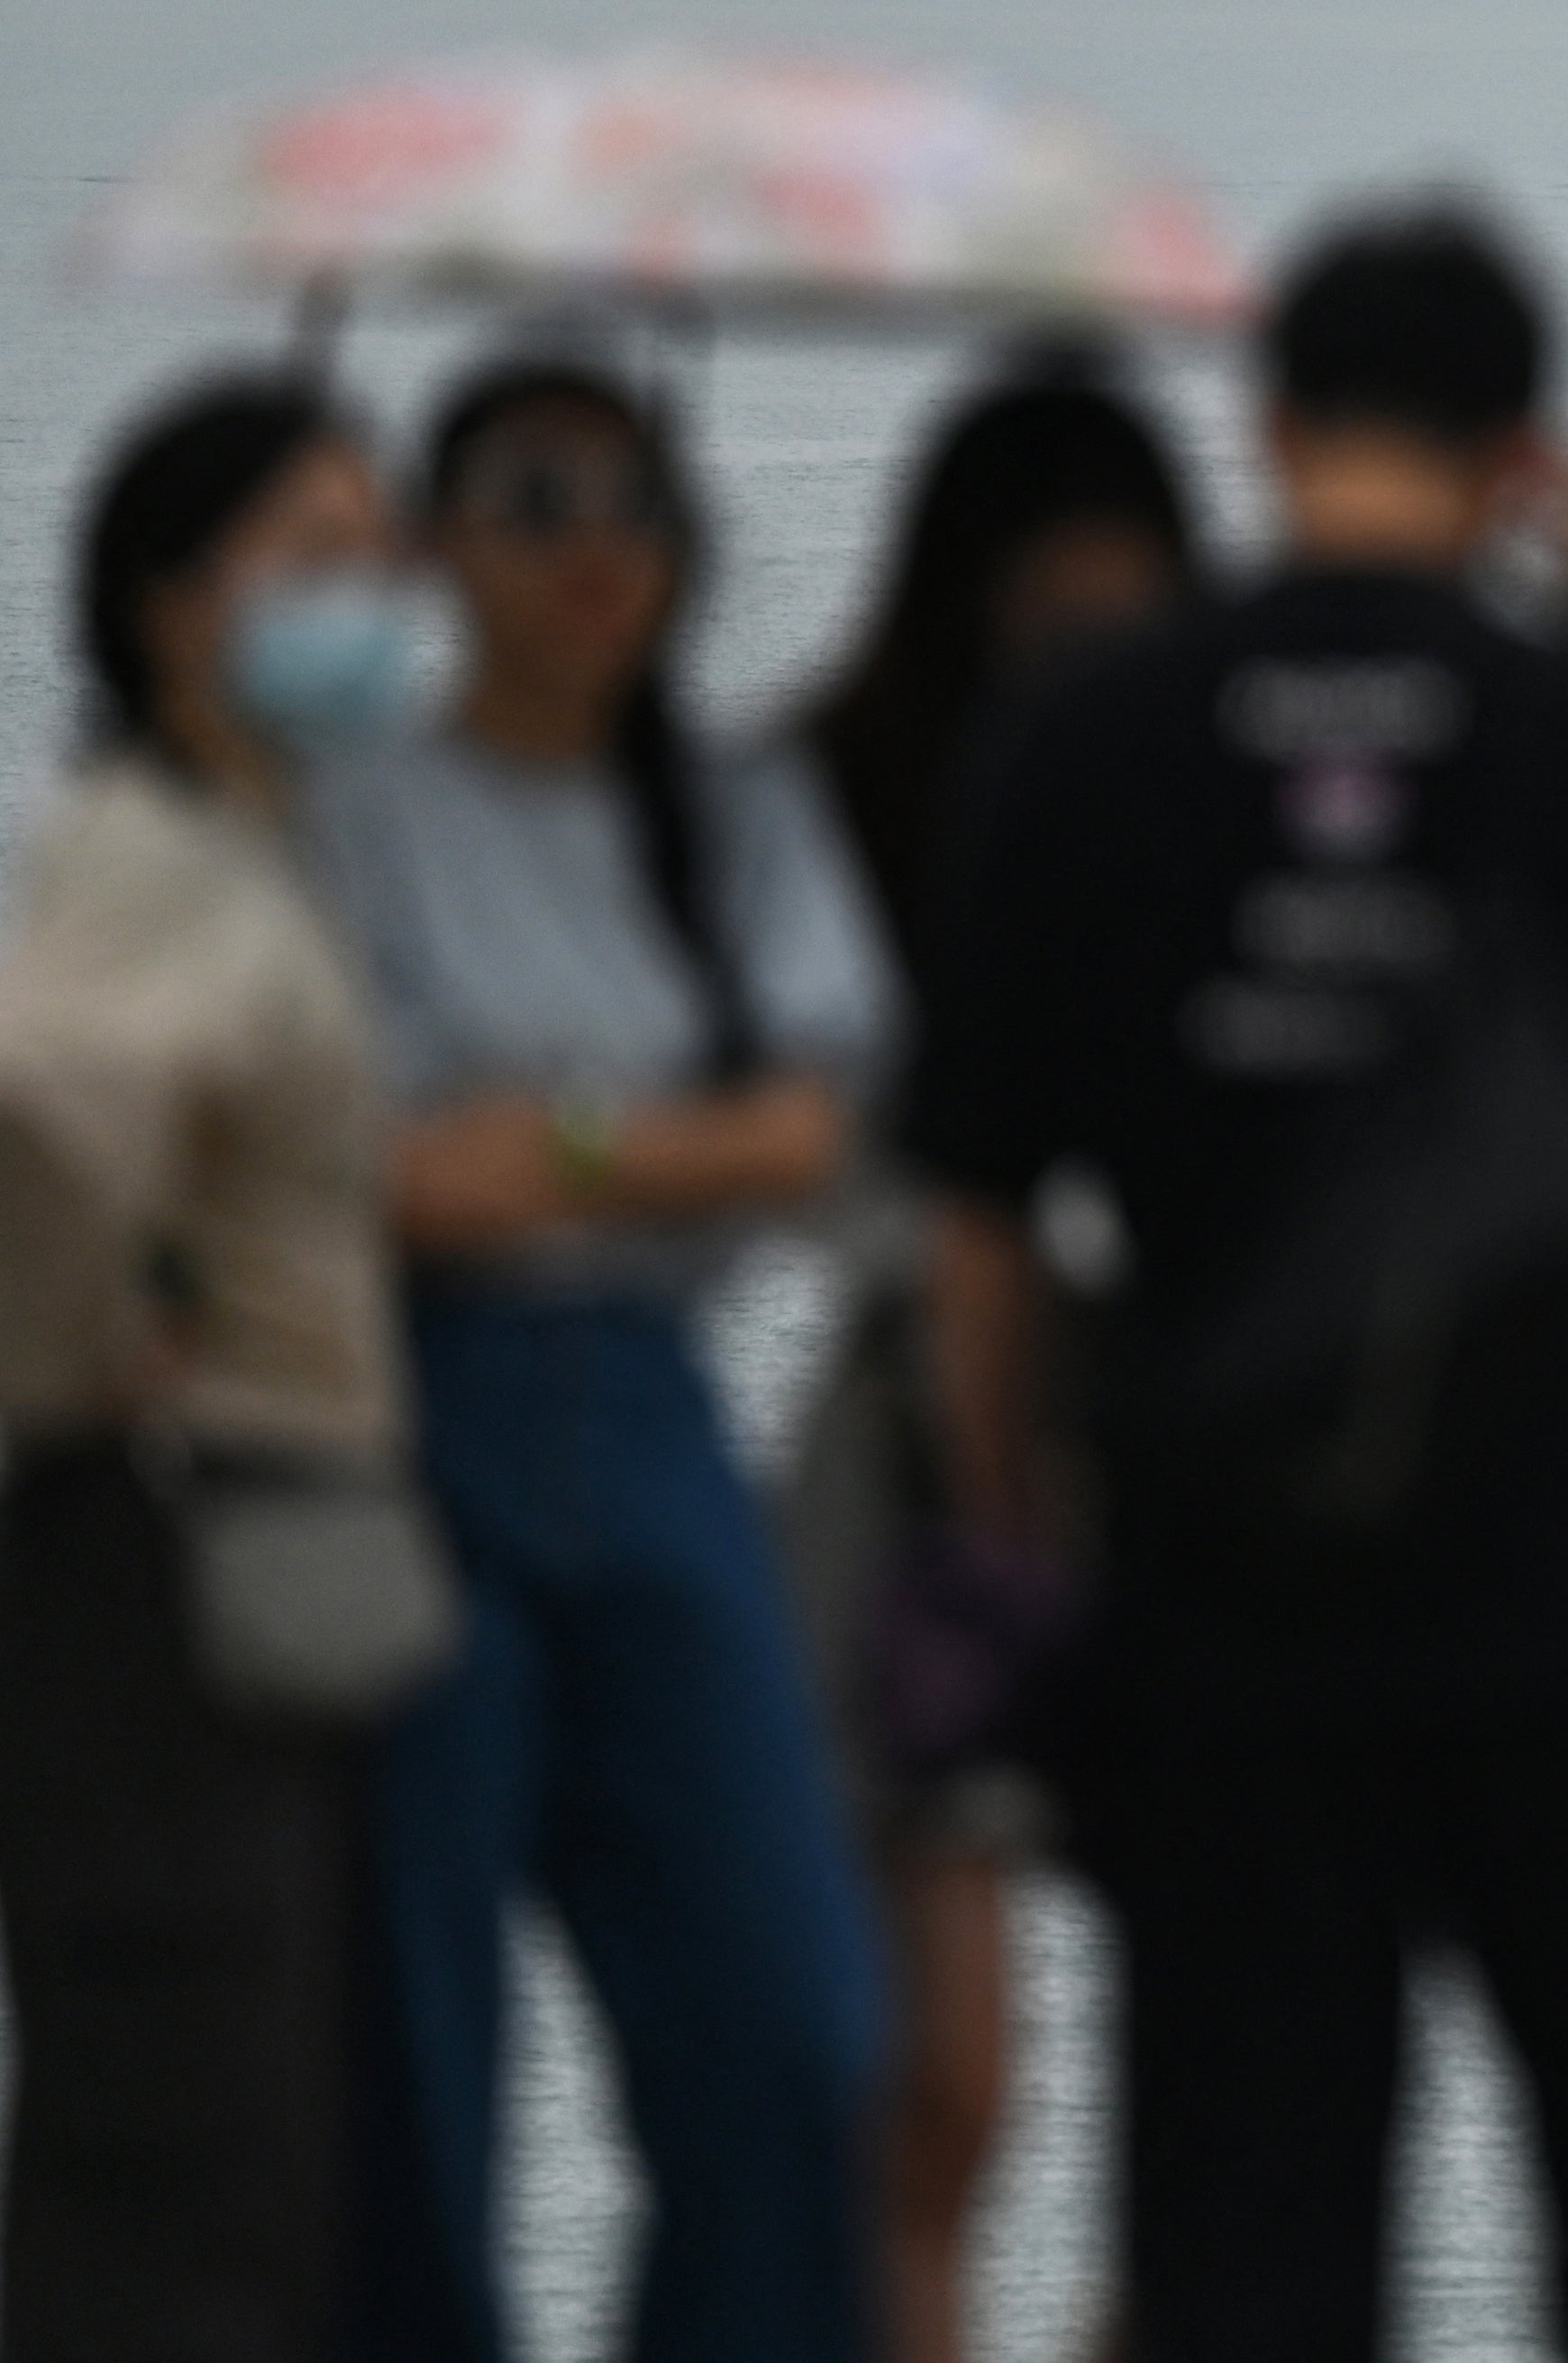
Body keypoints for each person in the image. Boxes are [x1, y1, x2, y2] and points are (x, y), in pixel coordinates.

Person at [905, 202, 1568, 2363]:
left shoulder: (1096, 732)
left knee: (1249, 2238)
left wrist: (1018, 1546)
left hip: (1228, 1624)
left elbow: (975, 1216)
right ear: (1530, 447)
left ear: (1264, 426)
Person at [305, 352, 897, 2363]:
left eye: (630, 502)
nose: (591, 550)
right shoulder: (359, 806)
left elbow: (816, 1129)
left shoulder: (734, 811)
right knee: (413, 2055)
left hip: (653, 1413)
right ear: (433, 539)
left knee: (795, 2027)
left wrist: (543, 1135)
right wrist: (653, 1137)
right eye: (534, 499)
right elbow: (377, 1178)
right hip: (413, 1419)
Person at [0, 376, 421, 2363]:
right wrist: (105, 1342)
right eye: (311, 557)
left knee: (247, 2119)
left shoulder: (260, 842)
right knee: (179, 2126)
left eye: (380, 552)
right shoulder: (152, 855)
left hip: (247, 1547)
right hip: (161, 1543)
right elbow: (43, 1099)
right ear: (169, 602)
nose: (375, 598)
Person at [789, 346, 1201, 2363]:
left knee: (1214, 2104)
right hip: (911, 1447)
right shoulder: (828, 792)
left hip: (1168, 1427)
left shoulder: (1223, 817)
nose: (1090, 671)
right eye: (1049, 620)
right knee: (946, 2083)